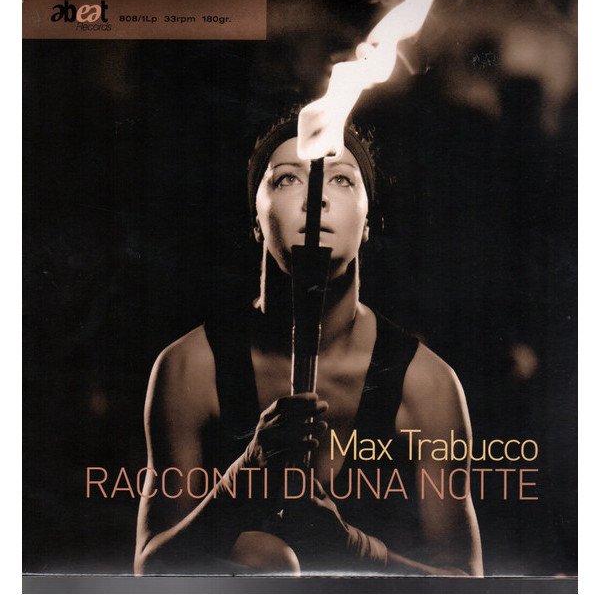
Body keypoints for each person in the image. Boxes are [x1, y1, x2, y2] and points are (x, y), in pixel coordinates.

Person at [134, 113, 483, 576]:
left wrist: (355, 549)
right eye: (286, 179)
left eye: (341, 179)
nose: (315, 198)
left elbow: (466, 583)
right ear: (256, 220)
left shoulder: (426, 383)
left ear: (368, 222)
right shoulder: (190, 367)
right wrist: (244, 476)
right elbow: (151, 568)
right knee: (265, 557)